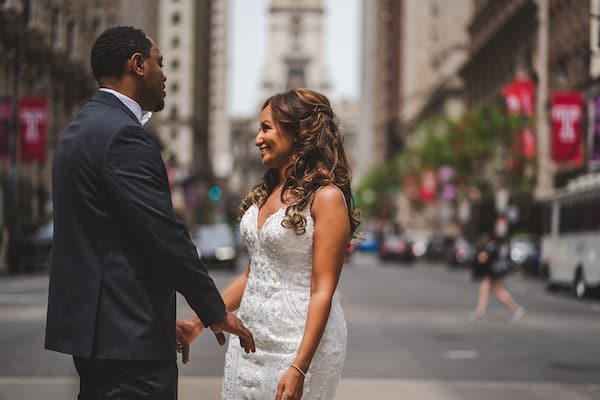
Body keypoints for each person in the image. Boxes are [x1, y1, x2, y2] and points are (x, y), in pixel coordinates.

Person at [45, 26, 255, 400]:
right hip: (129, 339)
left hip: (97, 334)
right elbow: (162, 233)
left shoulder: (78, 130)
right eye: (160, 63)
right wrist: (213, 309)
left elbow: (110, 239)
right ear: (137, 65)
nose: (165, 75)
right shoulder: (124, 136)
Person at [178, 88, 360, 400]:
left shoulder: (327, 198)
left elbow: (323, 290)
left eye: (266, 128)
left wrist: (299, 367)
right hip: (250, 341)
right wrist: (199, 322)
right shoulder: (268, 192)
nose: (257, 139)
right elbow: (254, 275)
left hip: (298, 346)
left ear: (298, 131)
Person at [470, 235, 525, 321]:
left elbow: (485, 259)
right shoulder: (496, 247)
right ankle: (480, 311)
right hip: (493, 273)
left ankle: (515, 309)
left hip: (492, 273)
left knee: (497, 292)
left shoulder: (491, 248)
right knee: (489, 291)